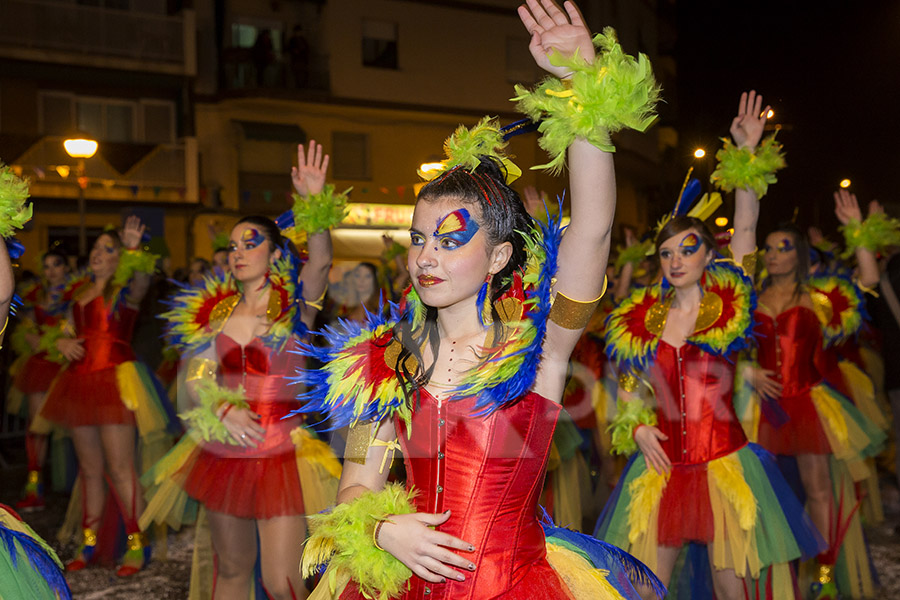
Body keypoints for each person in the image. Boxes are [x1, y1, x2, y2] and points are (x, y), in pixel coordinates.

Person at [296, 2, 664, 598]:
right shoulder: (383, 362)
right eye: (418, 239)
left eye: (449, 239)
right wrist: (385, 529)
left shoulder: (535, 348)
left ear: (498, 257)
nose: (426, 257)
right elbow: (355, 486)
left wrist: (582, 90)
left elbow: (593, 226)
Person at [596, 92, 822, 600]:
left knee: (731, 588)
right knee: (646, 586)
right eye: (667, 253)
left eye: (688, 248)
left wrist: (745, 156)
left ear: (707, 254)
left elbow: (745, 228)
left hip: (724, 463)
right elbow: (629, 384)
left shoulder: (728, 304)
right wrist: (636, 429)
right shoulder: (643, 318)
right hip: (661, 468)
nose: (676, 260)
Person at [142, 140, 340, 600]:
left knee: (283, 581)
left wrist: (313, 203)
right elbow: (193, 380)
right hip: (225, 454)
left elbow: (322, 261)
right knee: (230, 572)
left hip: (282, 457)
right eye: (232, 245)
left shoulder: (295, 306)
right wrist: (219, 409)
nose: (237, 251)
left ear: (275, 254)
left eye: (250, 242)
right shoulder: (215, 315)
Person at [749, 191, 886, 599]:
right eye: (769, 248)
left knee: (818, 490)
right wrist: (748, 371)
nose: (773, 255)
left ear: (799, 254)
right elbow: (728, 347)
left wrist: (856, 231)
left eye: (783, 247)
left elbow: (869, 281)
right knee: (769, 494)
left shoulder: (818, 297)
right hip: (761, 408)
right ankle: (779, 574)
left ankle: (824, 577)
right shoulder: (749, 297)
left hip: (808, 404)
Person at [39, 217, 177, 576]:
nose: (98, 253)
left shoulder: (124, 291)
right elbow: (64, 330)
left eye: (108, 249)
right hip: (79, 384)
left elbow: (143, 282)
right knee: (89, 470)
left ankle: (137, 542)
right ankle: (89, 541)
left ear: (120, 260)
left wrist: (132, 250)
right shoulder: (79, 292)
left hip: (116, 383)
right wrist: (62, 341)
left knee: (120, 467)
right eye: (97, 248)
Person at [9, 248, 71, 510]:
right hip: (40, 368)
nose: (51, 270)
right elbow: (25, 320)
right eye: (47, 266)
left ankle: (74, 485)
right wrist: (29, 333)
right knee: (37, 428)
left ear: (67, 267)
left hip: (67, 367)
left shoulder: (75, 294)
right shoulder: (36, 295)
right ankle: (36, 485)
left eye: (57, 264)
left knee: (74, 431)